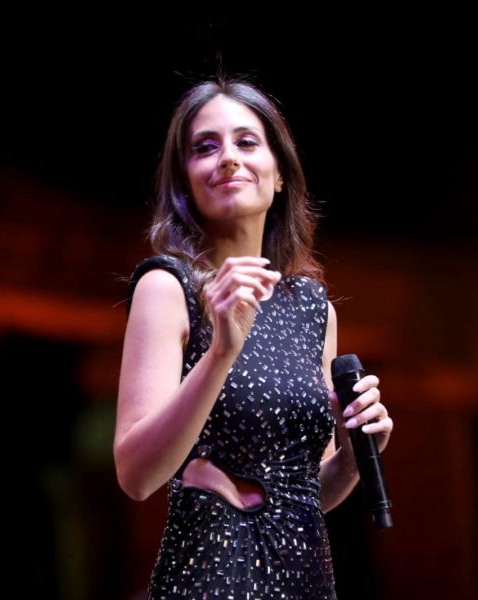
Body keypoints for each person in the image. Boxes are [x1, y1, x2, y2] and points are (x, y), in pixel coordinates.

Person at [113, 76, 393, 599]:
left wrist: (355, 456)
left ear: (280, 173)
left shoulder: (313, 309)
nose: (227, 159)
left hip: (306, 577)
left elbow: (307, 493)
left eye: (246, 142)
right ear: (185, 180)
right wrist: (222, 350)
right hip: (214, 575)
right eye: (205, 147)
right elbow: (136, 475)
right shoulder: (168, 288)